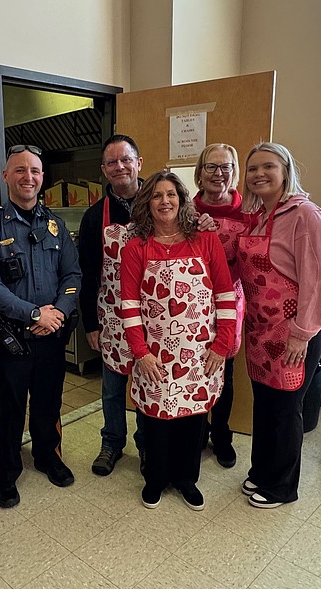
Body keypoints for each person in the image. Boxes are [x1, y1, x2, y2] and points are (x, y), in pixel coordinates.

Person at [120, 170, 236, 510]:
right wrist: (140, 352)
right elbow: (128, 306)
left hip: (199, 352)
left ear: (182, 200)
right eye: (157, 195)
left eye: (171, 194)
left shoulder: (204, 240)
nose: (165, 201)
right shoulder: (135, 248)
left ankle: (186, 479)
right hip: (154, 354)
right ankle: (155, 479)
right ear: (147, 203)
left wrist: (222, 345)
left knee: (192, 418)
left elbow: (225, 295)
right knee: (155, 419)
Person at [0, 144, 81, 509]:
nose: (28, 177)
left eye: (34, 171)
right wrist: (36, 315)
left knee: (49, 404)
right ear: (6, 176)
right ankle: (6, 475)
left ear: (42, 178)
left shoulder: (56, 225)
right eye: (20, 170)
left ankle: (48, 456)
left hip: (52, 334)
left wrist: (60, 312)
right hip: (10, 338)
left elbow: (72, 275)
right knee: (9, 409)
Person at [237, 142, 321, 509]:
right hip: (261, 330)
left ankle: (282, 486)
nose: (259, 174)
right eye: (253, 168)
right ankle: (261, 471)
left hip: (295, 332)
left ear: (286, 171)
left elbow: (318, 281)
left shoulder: (306, 215)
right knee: (265, 404)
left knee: (286, 408)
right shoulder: (260, 216)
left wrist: (302, 334)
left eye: (268, 166)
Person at [78, 134, 146, 476]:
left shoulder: (164, 202)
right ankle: (112, 443)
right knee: (112, 388)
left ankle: (148, 445)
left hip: (158, 317)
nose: (119, 167)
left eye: (125, 159)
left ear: (138, 163)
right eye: (111, 162)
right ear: (104, 170)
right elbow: (87, 274)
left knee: (151, 385)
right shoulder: (94, 217)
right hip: (113, 316)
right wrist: (90, 322)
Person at [192, 143, 251, 468]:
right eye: (212, 167)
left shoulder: (248, 212)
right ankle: (199, 433)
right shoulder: (187, 210)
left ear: (234, 172)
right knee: (198, 368)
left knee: (224, 373)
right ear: (200, 173)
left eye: (225, 167)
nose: (219, 173)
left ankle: (222, 435)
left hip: (231, 301)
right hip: (193, 305)